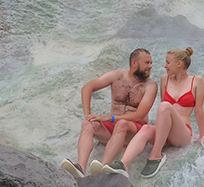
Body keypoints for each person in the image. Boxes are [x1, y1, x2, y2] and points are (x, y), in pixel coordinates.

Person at [61, 48, 157, 178]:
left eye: (151, 63)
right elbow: (87, 88)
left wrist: (110, 118)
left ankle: (103, 166)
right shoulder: (117, 76)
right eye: (147, 63)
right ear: (134, 63)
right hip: (113, 130)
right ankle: (80, 168)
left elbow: (139, 115)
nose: (150, 66)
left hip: (134, 133)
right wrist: (88, 116)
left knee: (122, 124)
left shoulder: (150, 85)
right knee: (88, 124)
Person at [114, 47, 204, 178]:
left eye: (168, 62)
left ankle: (156, 154)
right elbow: (164, 114)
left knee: (164, 106)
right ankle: (123, 164)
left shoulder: (197, 81)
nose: (165, 66)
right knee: (146, 128)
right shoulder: (165, 79)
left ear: (179, 64)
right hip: (164, 132)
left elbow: (198, 110)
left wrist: (202, 135)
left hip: (182, 134)